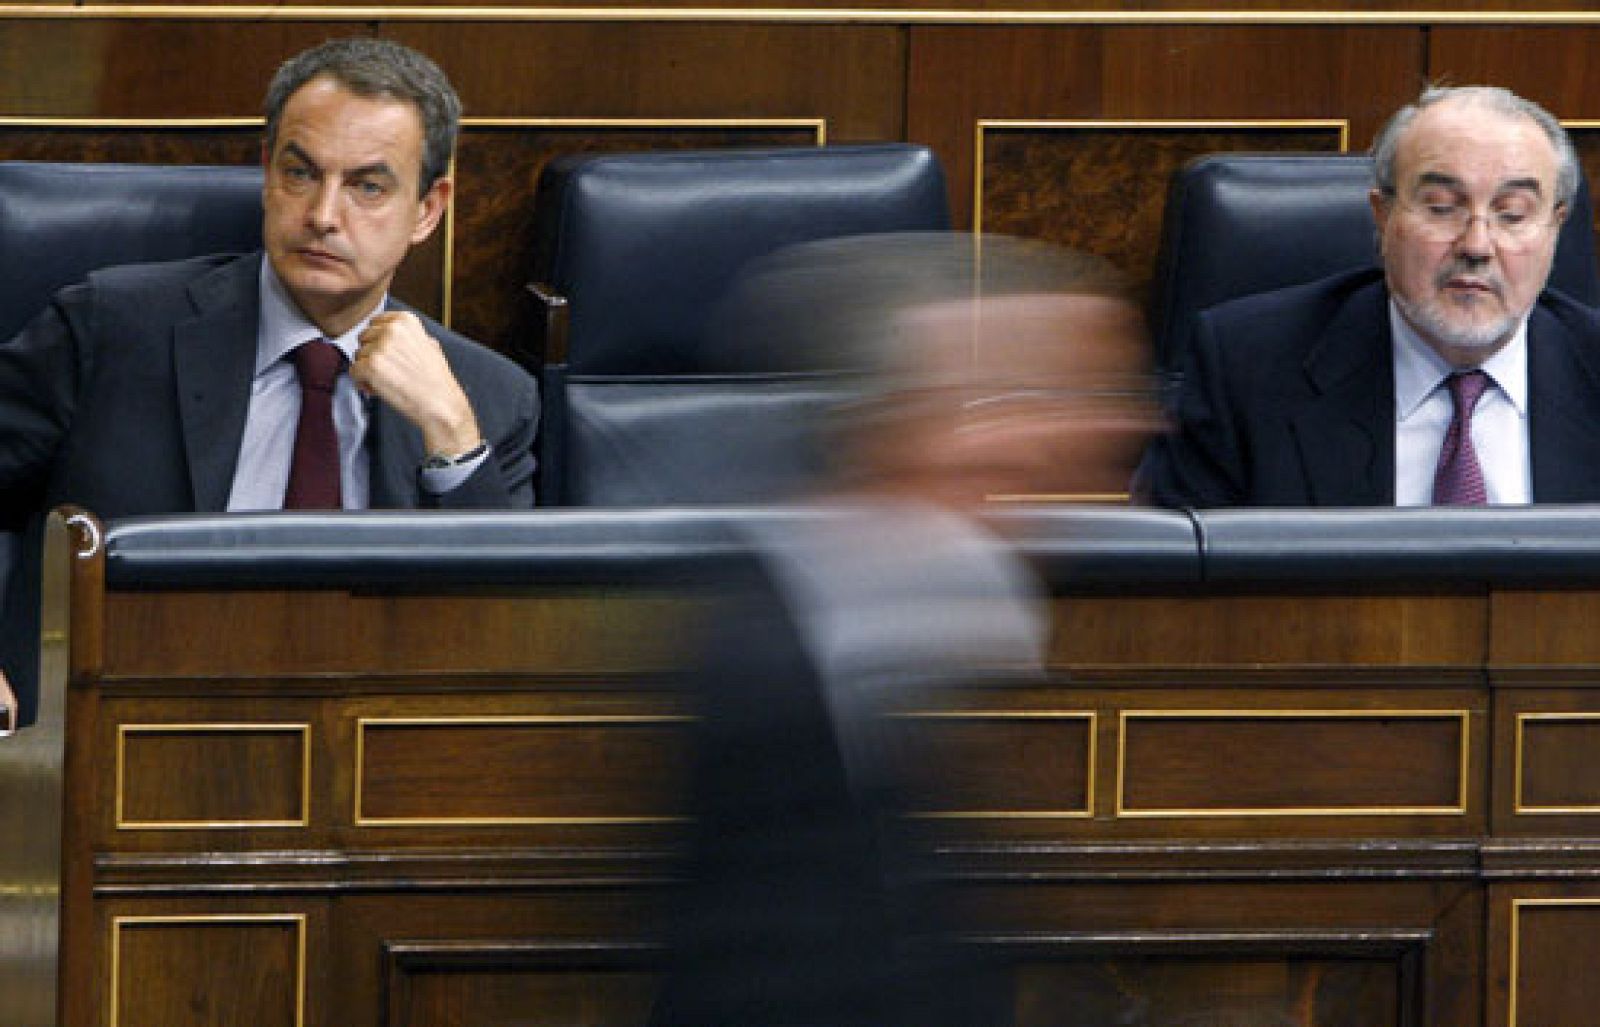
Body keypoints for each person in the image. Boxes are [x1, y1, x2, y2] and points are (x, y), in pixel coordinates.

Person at [648, 233, 1157, 1026]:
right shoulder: (770, 654)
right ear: (918, 420)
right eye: (1041, 395)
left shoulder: (933, 604)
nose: (1115, 426)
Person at [0, 38, 540, 723]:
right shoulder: (110, 327)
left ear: (429, 209)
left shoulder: (489, 398)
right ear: (266, 173)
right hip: (103, 740)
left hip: (359, 774)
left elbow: (505, 646)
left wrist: (455, 441)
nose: (322, 215)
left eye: (368, 186)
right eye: (301, 173)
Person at [1143, 85, 1600, 508]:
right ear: (1382, 216)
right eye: (1442, 207)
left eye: (1513, 214)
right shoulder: (1244, 370)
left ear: (1555, 228)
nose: (1477, 245)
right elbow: (1177, 586)